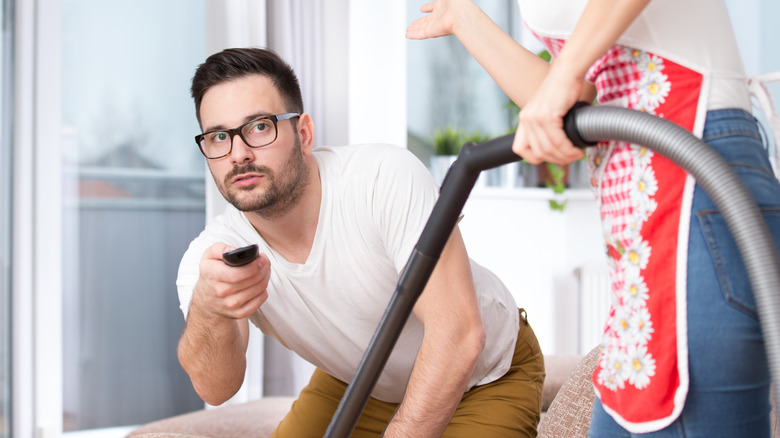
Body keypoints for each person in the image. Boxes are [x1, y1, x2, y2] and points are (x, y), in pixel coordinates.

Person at [408, 0, 780, 436]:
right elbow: (574, 104)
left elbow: (565, 86)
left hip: (696, 186)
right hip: (645, 223)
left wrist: (561, 81)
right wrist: (463, 18)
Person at [175, 47, 545, 438]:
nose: (239, 154)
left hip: (484, 375)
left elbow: (460, 335)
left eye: (260, 127)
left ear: (303, 134)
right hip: (361, 378)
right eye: (219, 137)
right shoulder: (212, 257)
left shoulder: (383, 179)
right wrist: (209, 308)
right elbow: (215, 389)